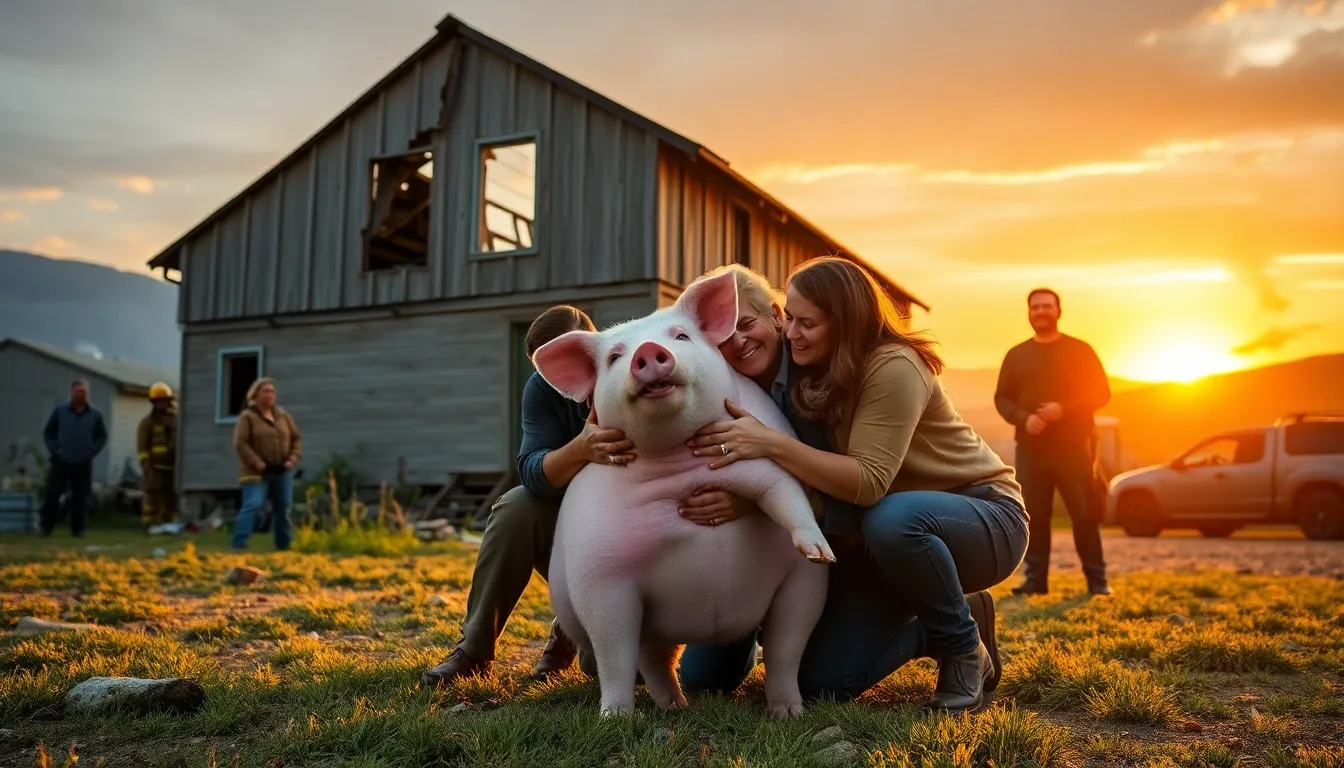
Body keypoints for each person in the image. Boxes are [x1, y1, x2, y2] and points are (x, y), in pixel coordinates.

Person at [681, 259, 1028, 712]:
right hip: (871, 539)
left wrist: (763, 463)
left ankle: (960, 643)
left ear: (775, 314)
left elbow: (865, 485)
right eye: (722, 337)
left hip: (973, 511)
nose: (793, 334)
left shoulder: (887, 366)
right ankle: (928, 624)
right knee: (815, 681)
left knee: (894, 519)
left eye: (803, 322)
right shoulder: (794, 370)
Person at [994, 288, 1112, 597]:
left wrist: (1064, 409)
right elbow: (1002, 398)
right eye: (1035, 307)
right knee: (1034, 515)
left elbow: (1101, 392)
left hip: (1074, 447)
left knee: (1084, 513)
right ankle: (1036, 581)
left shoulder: (1080, 350)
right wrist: (1023, 417)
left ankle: (1097, 581)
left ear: (1059, 311)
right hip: (1032, 451)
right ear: (1029, 313)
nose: (1041, 311)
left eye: (1047, 306)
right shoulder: (1016, 355)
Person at [231, 378, 302, 552]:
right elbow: (240, 443)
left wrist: (292, 458)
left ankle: (283, 544)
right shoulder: (247, 417)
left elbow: (296, 438)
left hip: (281, 469)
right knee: (253, 504)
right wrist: (256, 462)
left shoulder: (283, 416)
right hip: (257, 471)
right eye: (265, 391)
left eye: (272, 391)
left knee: (284, 506)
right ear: (256, 394)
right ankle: (239, 543)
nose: (269, 394)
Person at [39, 379, 108, 537]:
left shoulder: (95, 415)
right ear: (72, 392)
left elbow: (102, 436)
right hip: (61, 461)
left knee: (80, 498)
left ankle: (78, 530)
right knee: (52, 494)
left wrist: (91, 451)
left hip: (83, 463)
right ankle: (45, 527)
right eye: (78, 391)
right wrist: (55, 450)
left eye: (83, 392)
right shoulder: (60, 412)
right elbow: (48, 433)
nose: (80, 395)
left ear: (87, 394)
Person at [137, 382, 179, 533]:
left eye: (165, 400)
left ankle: (169, 524)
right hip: (154, 467)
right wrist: (146, 464)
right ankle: (148, 524)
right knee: (152, 496)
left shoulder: (176, 420)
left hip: (173, 466)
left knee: (171, 496)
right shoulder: (147, 422)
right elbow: (142, 446)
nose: (162, 403)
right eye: (159, 401)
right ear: (154, 403)